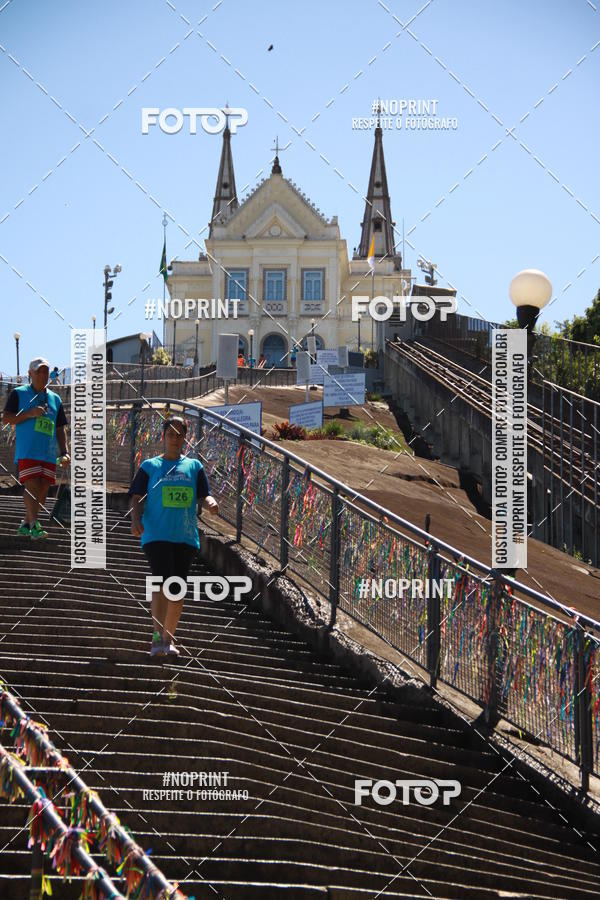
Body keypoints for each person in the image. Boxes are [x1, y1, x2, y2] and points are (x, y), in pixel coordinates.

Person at [129, 416, 219, 657]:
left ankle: (167, 639)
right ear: (163, 436)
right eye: (171, 433)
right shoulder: (150, 466)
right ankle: (157, 637)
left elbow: (204, 493)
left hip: (185, 536)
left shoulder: (194, 467)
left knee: (177, 589)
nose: (175, 438)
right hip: (156, 534)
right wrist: (136, 520)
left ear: (185, 438)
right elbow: (136, 497)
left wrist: (211, 502)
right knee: (161, 581)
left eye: (180, 434)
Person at [2, 357, 70, 539]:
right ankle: (34, 525)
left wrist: (65, 452)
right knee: (32, 486)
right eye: (39, 371)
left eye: (45, 371)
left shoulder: (55, 398)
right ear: (30, 374)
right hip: (28, 451)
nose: (43, 375)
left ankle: (26, 523)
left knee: (43, 490)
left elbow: (60, 428)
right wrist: (30, 413)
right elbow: (6, 418)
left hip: (48, 453)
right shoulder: (19, 393)